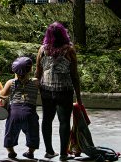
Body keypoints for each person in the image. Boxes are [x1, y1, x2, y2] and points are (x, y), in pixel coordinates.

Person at [35, 22, 82, 161]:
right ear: (63, 34)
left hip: (46, 91)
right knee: (64, 121)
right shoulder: (69, 50)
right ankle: (63, 154)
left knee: (47, 120)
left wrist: (34, 93)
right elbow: (74, 75)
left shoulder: (42, 50)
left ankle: (49, 151)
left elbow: (38, 73)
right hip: (64, 91)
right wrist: (79, 98)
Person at [0, 56, 40, 159]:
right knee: (33, 133)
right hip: (30, 113)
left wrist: (1, 92)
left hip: (14, 113)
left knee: (10, 133)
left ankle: (11, 151)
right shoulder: (35, 82)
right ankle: (30, 152)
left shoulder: (11, 82)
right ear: (30, 69)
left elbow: (2, 94)